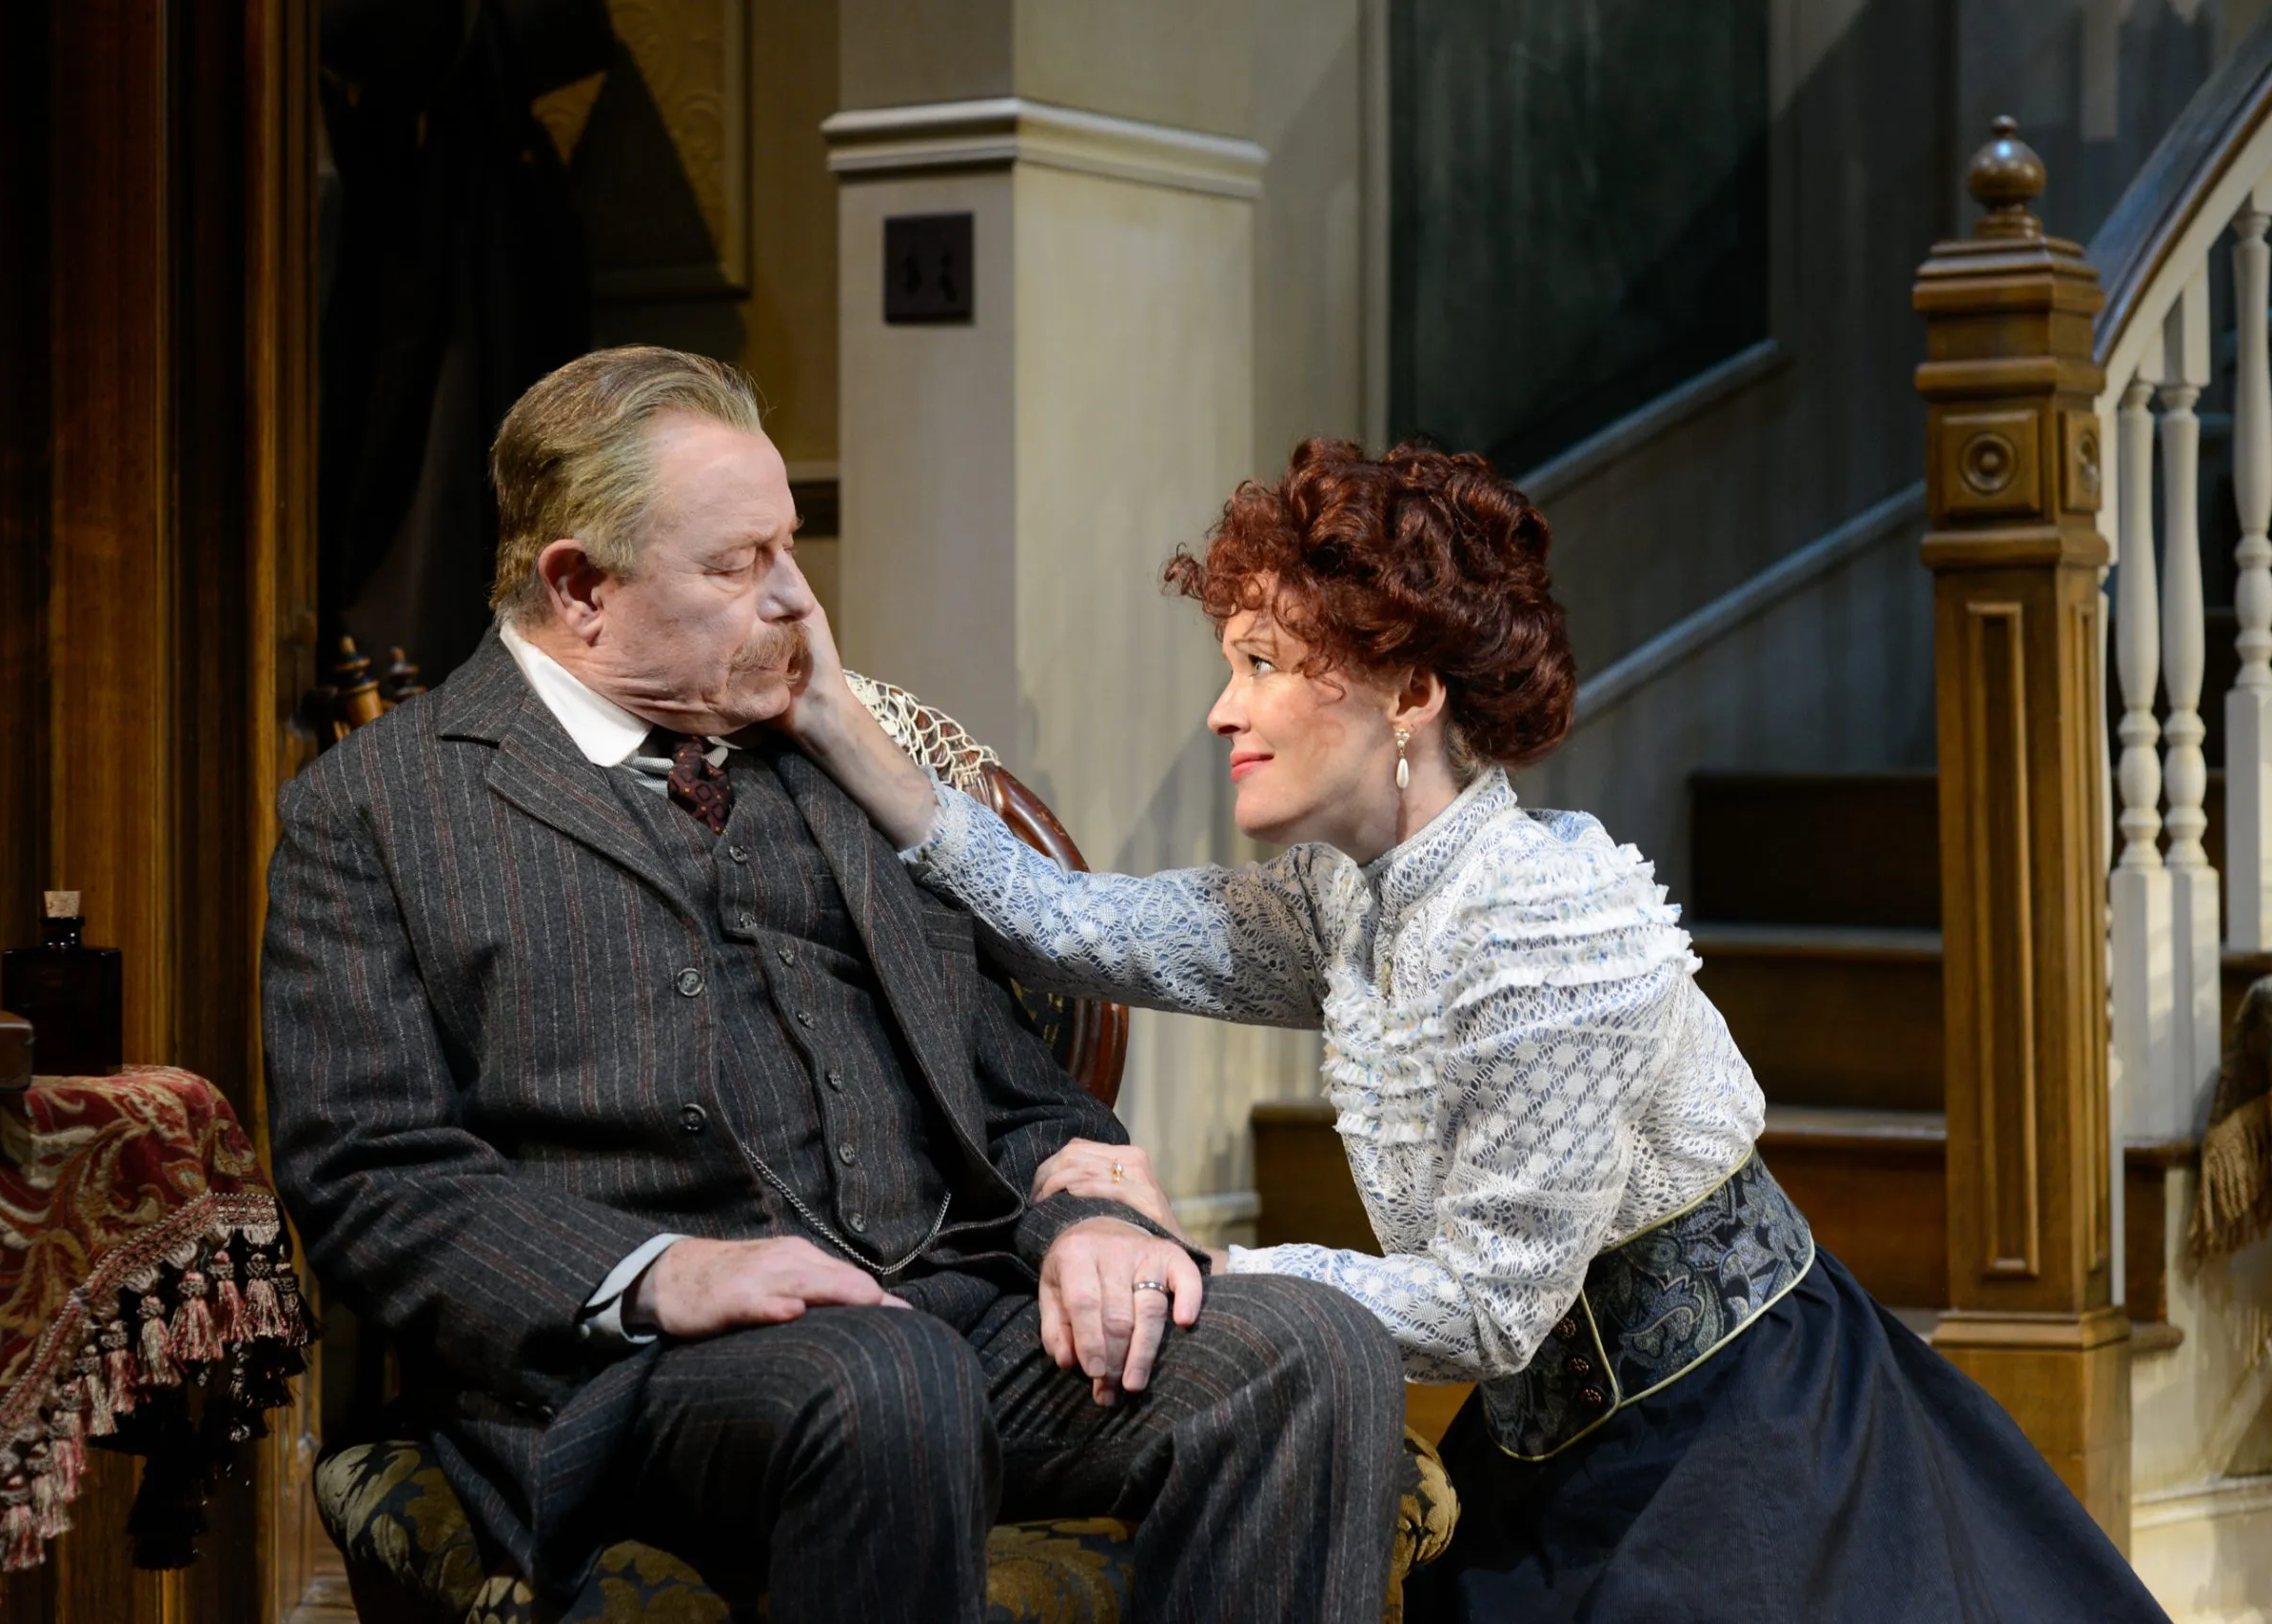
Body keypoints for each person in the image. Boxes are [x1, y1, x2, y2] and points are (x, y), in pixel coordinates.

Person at [783, 435, 2174, 1621]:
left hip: (1742, 1434)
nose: (1222, 709)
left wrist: (1195, 1265)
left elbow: (1490, 1308)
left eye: (1264, 661)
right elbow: (1063, 921)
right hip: (1560, 1442)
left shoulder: (1546, 926)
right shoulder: (1346, 898)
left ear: (1408, 690)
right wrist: (836, 718)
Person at [260, 348, 1407, 1624]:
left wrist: (1089, 1208)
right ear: (579, 586)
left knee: (1311, 1348)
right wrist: (658, 1272)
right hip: (650, 1375)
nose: (797, 602)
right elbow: (368, 1172)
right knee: (884, 1382)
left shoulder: (828, 763)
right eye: (737, 564)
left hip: (959, 1314)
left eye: (789, 548)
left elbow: (1016, 1085)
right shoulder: (374, 812)